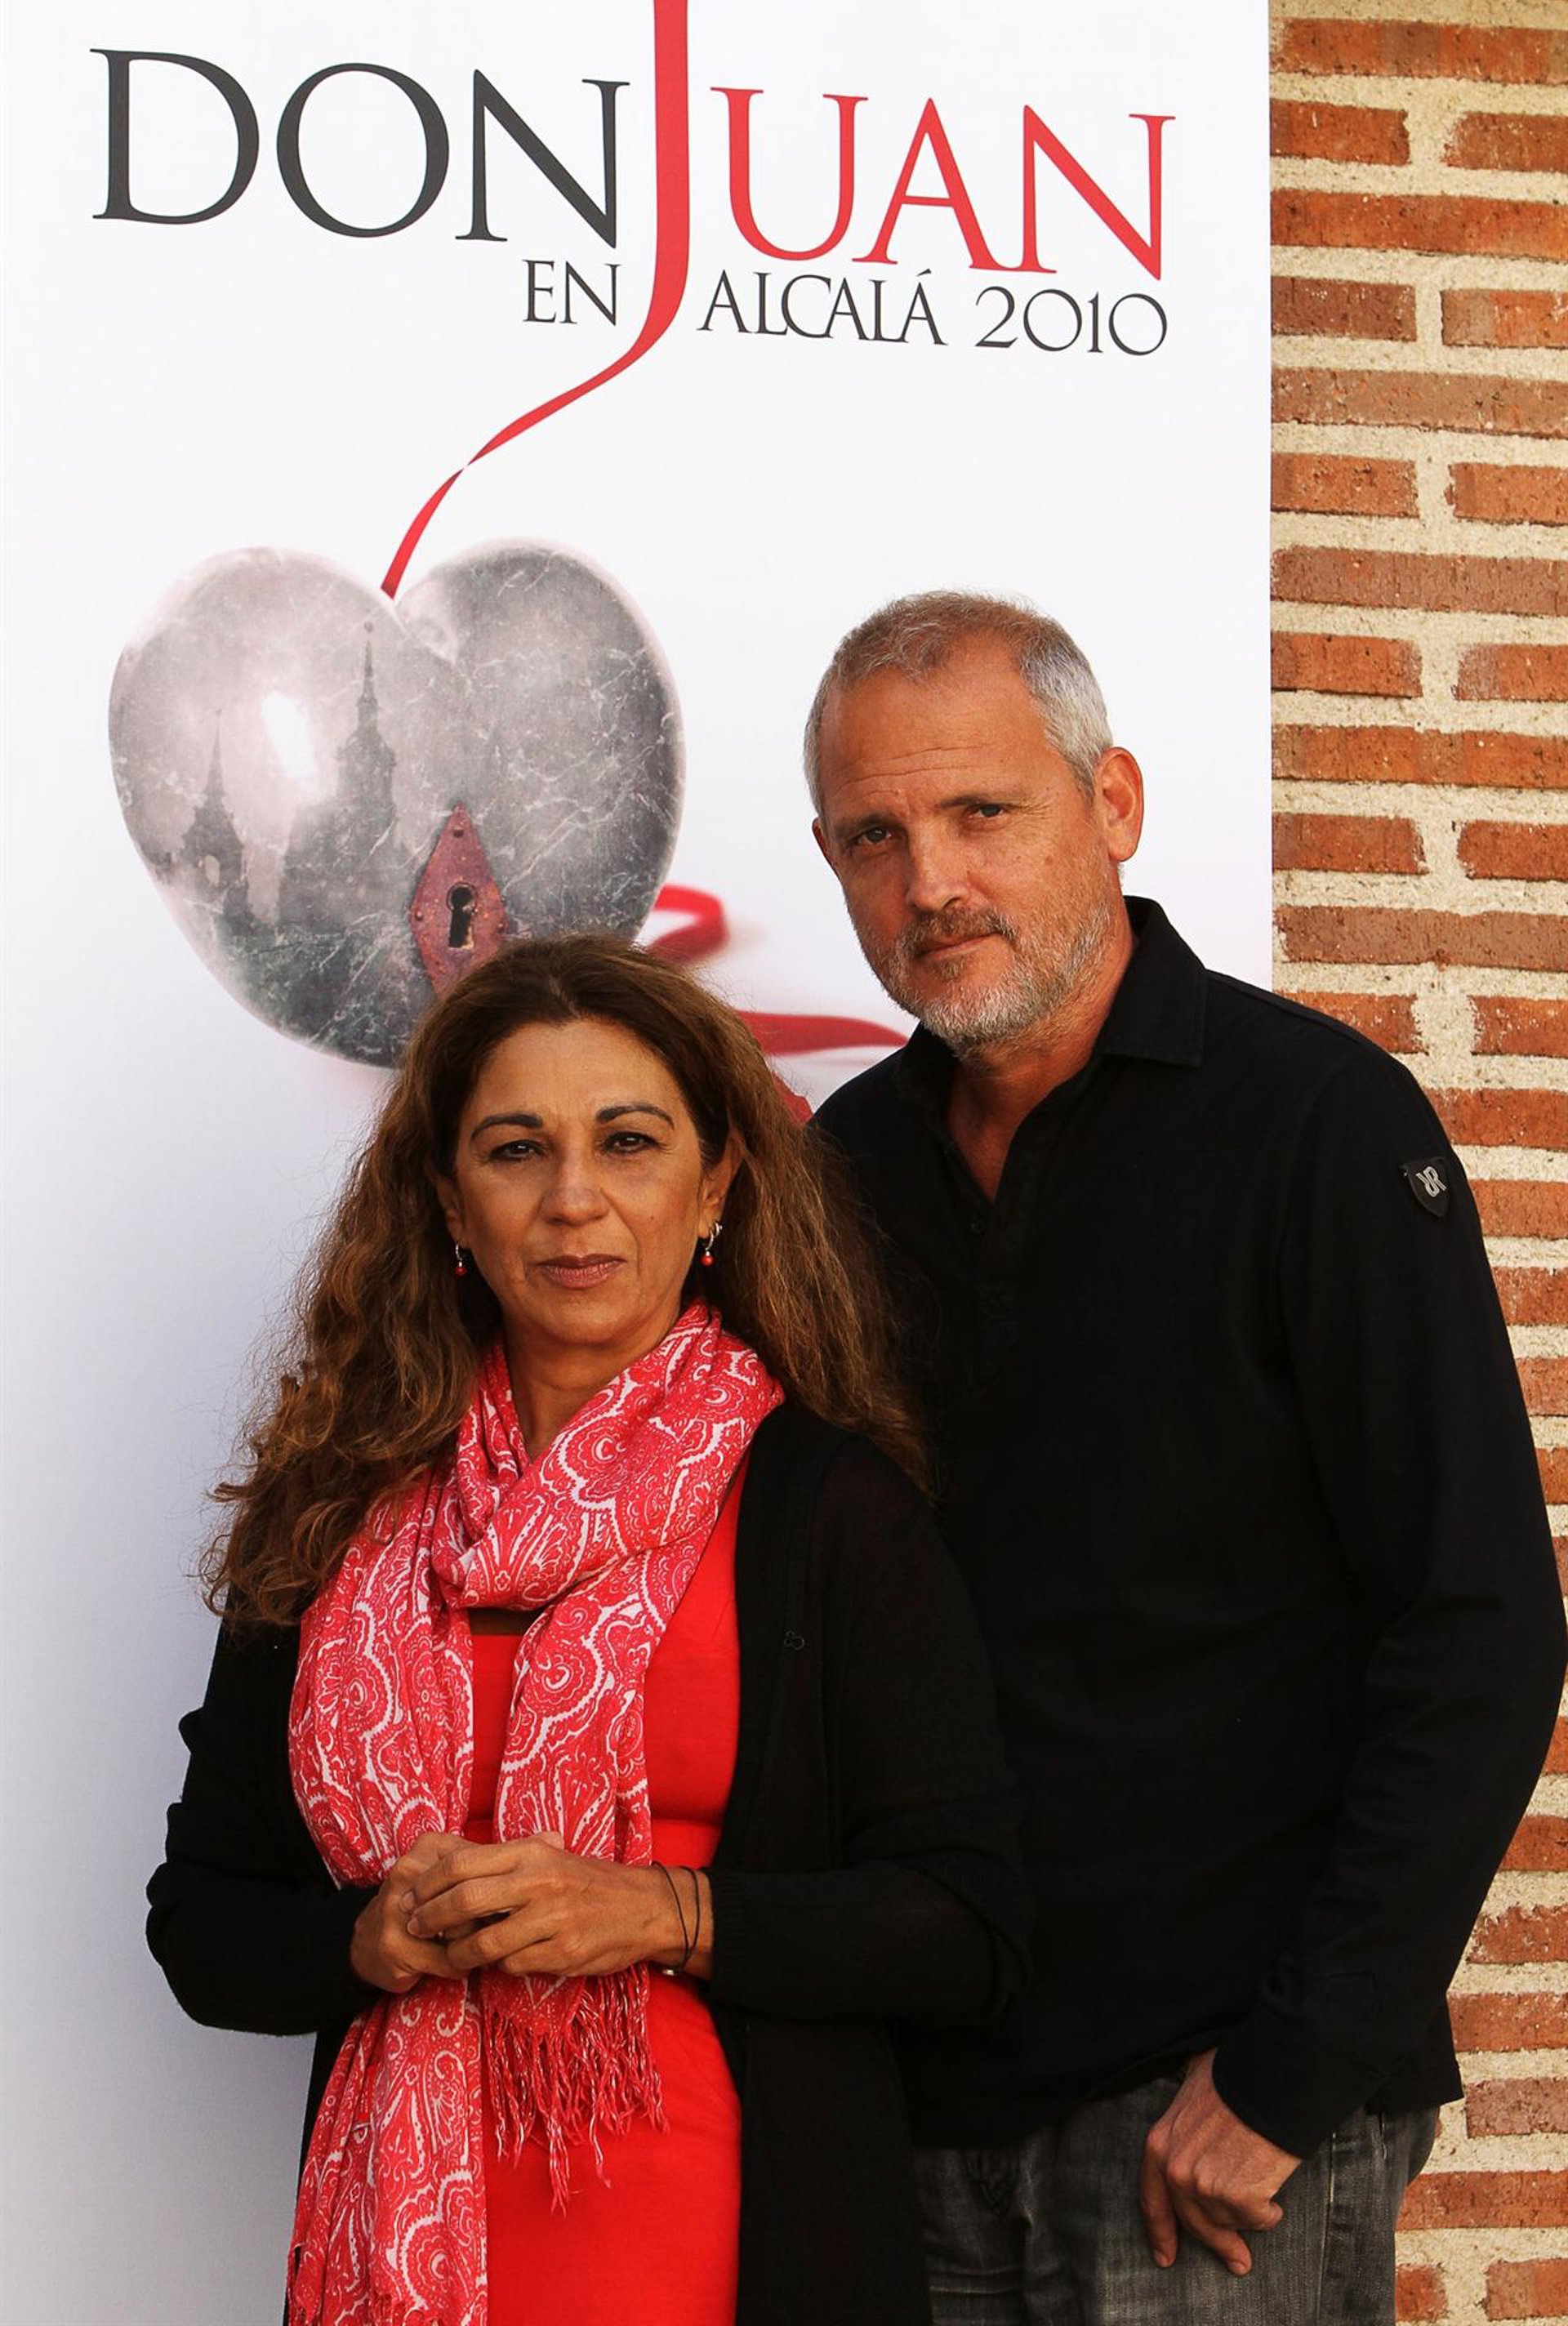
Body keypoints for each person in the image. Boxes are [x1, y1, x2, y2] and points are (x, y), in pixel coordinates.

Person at [805, 590, 1566, 2324]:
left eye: (982, 812)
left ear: (1115, 804)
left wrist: (1295, 2069)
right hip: (923, 2107)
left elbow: (1479, 1628)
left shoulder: (1314, 1125)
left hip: (1210, 2124)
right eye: (874, 837)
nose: (932, 883)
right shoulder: (838, 1175)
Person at [148, 934, 1030, 2326]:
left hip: (721, 2239)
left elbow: (971, 1927)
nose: (574, 1200)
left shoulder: (826, 1507)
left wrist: (660, 1912)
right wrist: (369, 1939)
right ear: (449, 1198)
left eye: (629, 1142)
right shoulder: (334, 1514)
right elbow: (203, 1923)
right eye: (516, 1151)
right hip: (403, 2240)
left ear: (715, 1182)